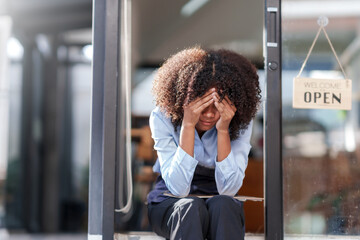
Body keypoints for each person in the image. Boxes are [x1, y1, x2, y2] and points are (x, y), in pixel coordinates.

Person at [147, 47, 261, 240]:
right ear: (185, 98)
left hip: (218, 206)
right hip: (172, 204)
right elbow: (179, 188)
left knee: (223, 204)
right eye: (202, 104)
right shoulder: (162, 116)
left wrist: (223, 130)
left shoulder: (240, 120)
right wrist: (188, 125)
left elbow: (229, 189)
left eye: (217, 106)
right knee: (189, 207)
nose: (209, 114)